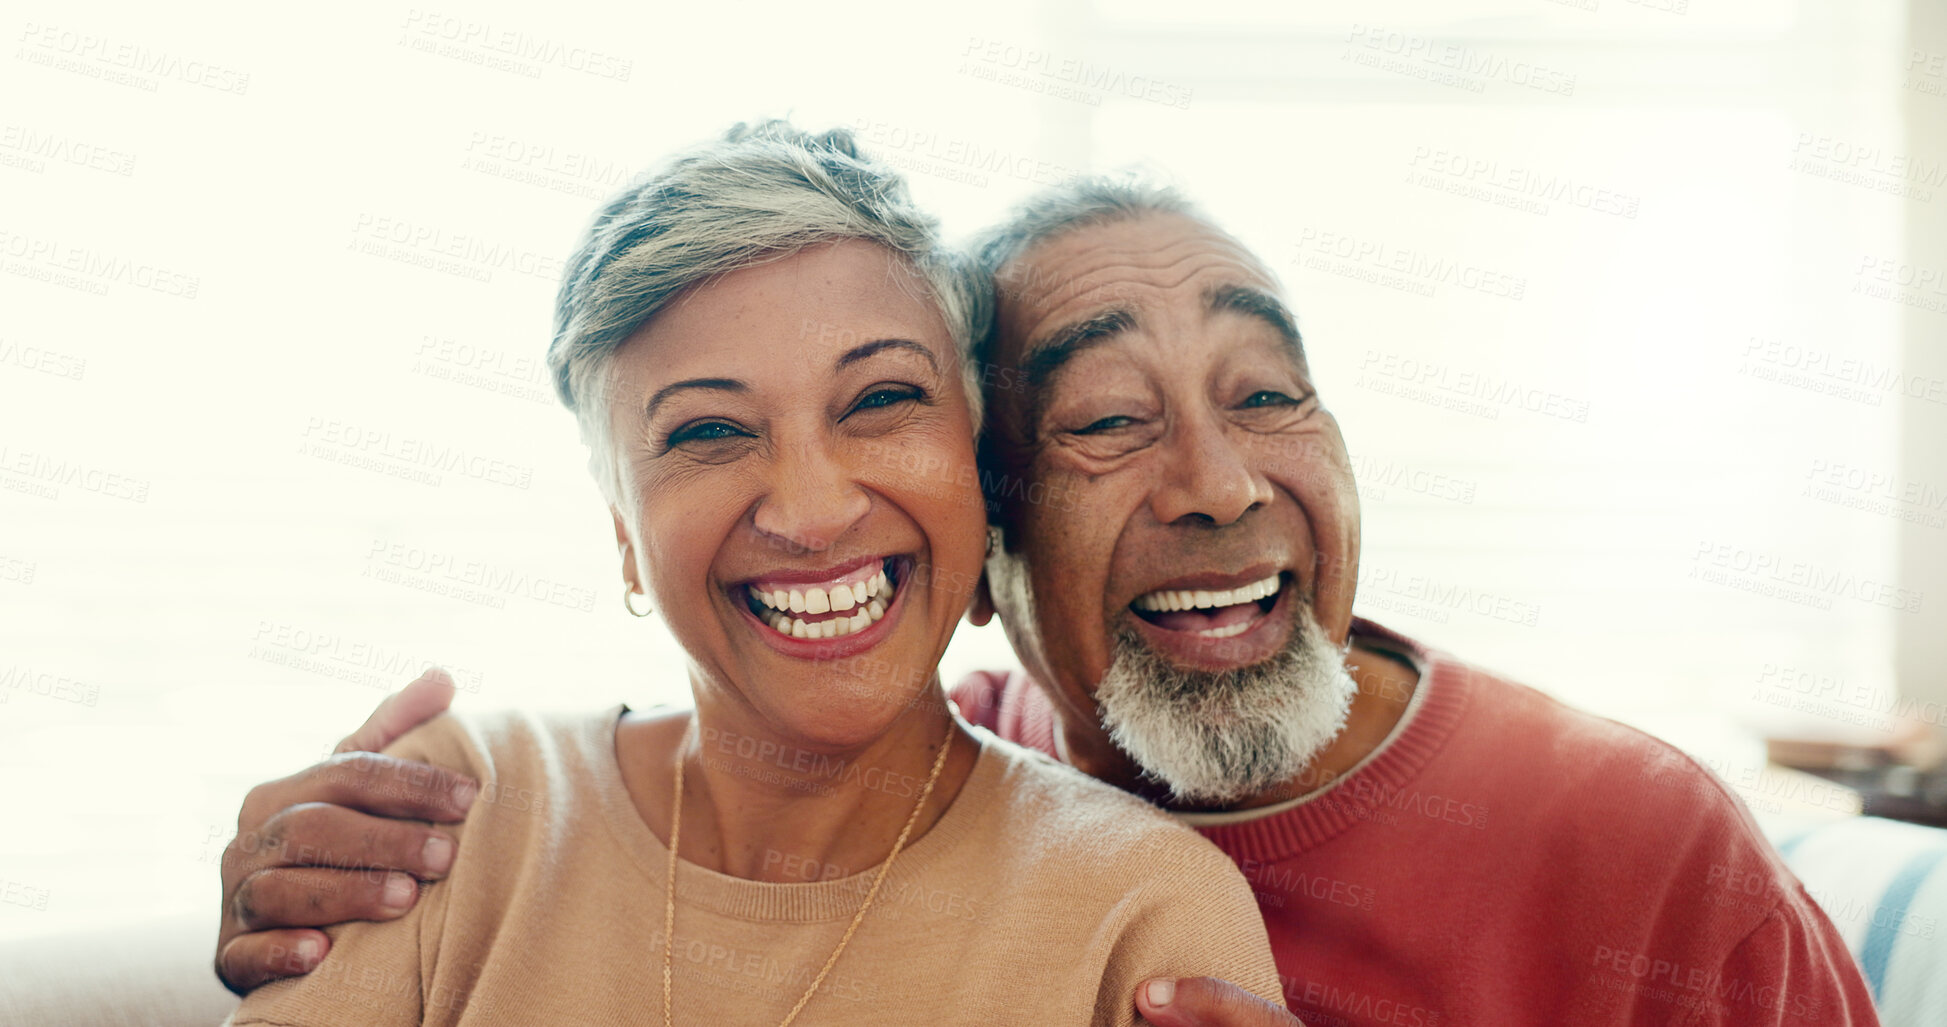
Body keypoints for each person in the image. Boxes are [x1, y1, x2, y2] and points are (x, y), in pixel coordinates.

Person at [217, 170, 1880, 1026]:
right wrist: (313, 864)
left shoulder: (1631, 838)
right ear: (982, 555)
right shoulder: (964, 764)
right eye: (1103, 421)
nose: (1220, 482)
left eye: (1268, 393)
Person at [220, 122, 1281, 1027]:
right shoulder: (449, 812)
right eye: (711, 430)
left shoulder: (1144, 911)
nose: (812, 513)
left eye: (878, 401)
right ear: (624, 532)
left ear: (976, 469)